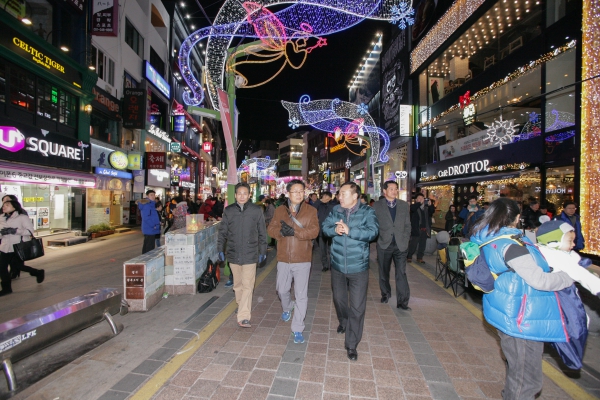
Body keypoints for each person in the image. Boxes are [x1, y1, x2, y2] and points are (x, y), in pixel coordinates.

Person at [469, 198, 576, 399]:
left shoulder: (489, 239)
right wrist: (569, 276)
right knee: (528, 380)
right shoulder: (511, 245)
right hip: (521, 318)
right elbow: (540, 280)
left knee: (517, 366)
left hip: (507, 310)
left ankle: (510, 393)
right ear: (518, 218)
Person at [322, 182, 379, 361]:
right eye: (339, 194)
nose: (340, 197)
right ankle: (343, 321)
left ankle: (352, 344)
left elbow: (373, 232)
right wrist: (334, 229)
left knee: (357, 307)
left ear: (355, 196)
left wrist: (350, 230)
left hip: (358, 267)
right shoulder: (336, 211)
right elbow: (324, 228)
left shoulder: (367, 212)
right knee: (339, 300)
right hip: (338, 265)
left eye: (343, 194)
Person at [268, 179, 319, 344]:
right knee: (281, 289)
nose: (298, 194)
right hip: (283, 257)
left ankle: (298, 328)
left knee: (301, 295)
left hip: (303, 258)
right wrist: (281, 232)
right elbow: (271, 228)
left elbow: (314, 231)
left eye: (301, 191)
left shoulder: (311, 211)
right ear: (288, 193)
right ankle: (287, 306)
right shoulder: (280, 210)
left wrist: (295, 232)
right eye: (295, 191)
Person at [217, 183, 267, 328]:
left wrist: (262, 251)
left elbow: (262, 233)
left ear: (249, 195)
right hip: (233, 253)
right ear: (235, 195)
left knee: (248, 285)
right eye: (239, 193)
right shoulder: (229, 210)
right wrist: (220, 248)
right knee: (237, 284)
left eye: (245, 193)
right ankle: (241, 305)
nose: (242, 196)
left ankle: (244, 315)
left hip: (250, 254)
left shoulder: (256, 210)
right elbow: (223, 232)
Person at [372, 181, 412, 309]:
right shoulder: (377, 206)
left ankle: (403, 301)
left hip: (400, 245)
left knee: (401, 273)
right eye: (391, 189)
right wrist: (379, 237)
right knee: (384, 271)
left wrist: (405, 240)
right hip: (384, 244)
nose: (394, 191)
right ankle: (385, 293)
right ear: (384, 191)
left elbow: (407, 225)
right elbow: (373, 224)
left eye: (396, 189)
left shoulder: (404, 205)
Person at [0, 199, 45, 295]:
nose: (4, 206)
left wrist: (15, 231)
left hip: (17, 246)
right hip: (5, 247)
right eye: (3, 205)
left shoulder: (22, 217)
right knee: (4, 267)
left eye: (7, 205)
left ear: (14, 207)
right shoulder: (1, 218)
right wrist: (2, 233)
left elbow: (29, 231)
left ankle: (37, 272)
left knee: (16, 266)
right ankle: (7, 288)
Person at [314, 191, 335, 271]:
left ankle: (332, 265)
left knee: (331, 250)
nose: (324, 198)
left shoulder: (333, 205)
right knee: (322, 250)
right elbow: (313, 208)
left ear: (330, 197)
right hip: (321, 231)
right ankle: (325, 265)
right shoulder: (319, 205)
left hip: (331, 231)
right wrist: (320, 200)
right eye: (323, 196)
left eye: (326, 196)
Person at [407, 193, 431, 263]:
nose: (421, 199)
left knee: (422, 245)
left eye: (422, 198)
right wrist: (419, 203)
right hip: (416, 229)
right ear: (416, 199)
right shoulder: (414, 206)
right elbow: (412, 208)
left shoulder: (426, 208)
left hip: (424, 230)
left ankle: (420, 257)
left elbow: (432, 211)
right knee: (413, 244)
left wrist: (430, 205)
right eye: (419, 198)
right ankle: (409, 256)